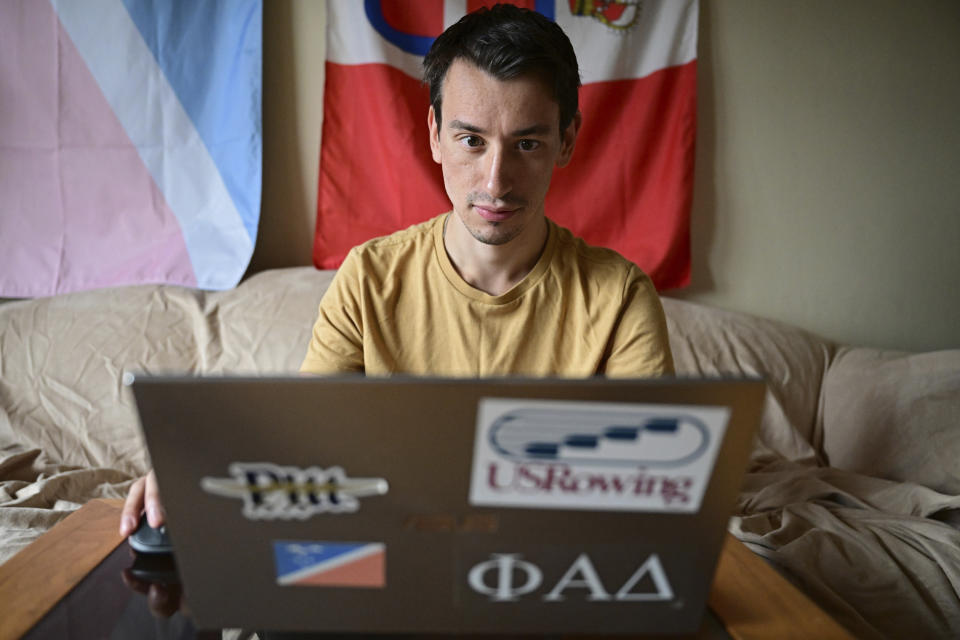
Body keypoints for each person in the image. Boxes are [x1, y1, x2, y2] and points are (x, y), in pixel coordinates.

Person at [120, 4, 673, 538]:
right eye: (471, 141)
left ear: (567, 140)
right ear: (434, 134)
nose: (496, 181)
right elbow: (307, 441)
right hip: (395, 553)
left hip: (546, 567)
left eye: (526, 143)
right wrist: (194, 471)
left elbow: (655, 485)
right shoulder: (368, 278)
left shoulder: (619, 296)